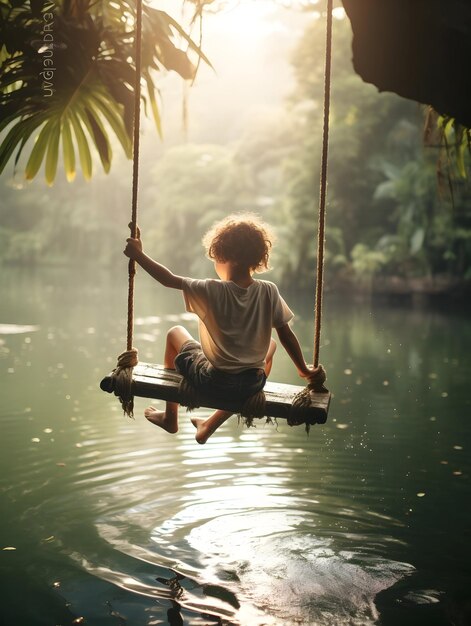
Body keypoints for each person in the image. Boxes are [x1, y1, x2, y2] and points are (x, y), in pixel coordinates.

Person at [124, 213, 320, 444]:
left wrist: (139, 255)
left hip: (213, 380)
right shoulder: (269, 290)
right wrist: (304, 369)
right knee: (273, 345)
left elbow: (168, 279)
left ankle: (170, 417)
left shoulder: (212, 289)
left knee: (174, 333)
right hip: (251, 384)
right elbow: (286, 334)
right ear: (257, 258)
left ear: (225, 255)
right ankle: (209, 425)